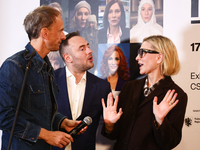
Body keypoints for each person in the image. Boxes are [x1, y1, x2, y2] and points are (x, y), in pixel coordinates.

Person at [0, 6, 86, 150]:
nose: (63, 36)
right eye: (60, 31)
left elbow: (38, 112)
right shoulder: (14, 66)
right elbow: (4, 116)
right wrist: (47, 135)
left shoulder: (46, 66)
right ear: (45, 33)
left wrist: (62, 122)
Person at [101, 35, 188, 150]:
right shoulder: (129, 87)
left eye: (142, 52)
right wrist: (109, 125)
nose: (137, 58)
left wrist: (160, 121)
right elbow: (115, 135)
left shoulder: (176, 95)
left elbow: (169, 143)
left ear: (159, 57)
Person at [53, 31, 111, 150]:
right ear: (68, 57)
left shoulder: (102, 86)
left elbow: (112, 131)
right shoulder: (49, 81)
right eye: (82, 49)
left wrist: (111, 124)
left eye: (88, 47)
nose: (90, 51)